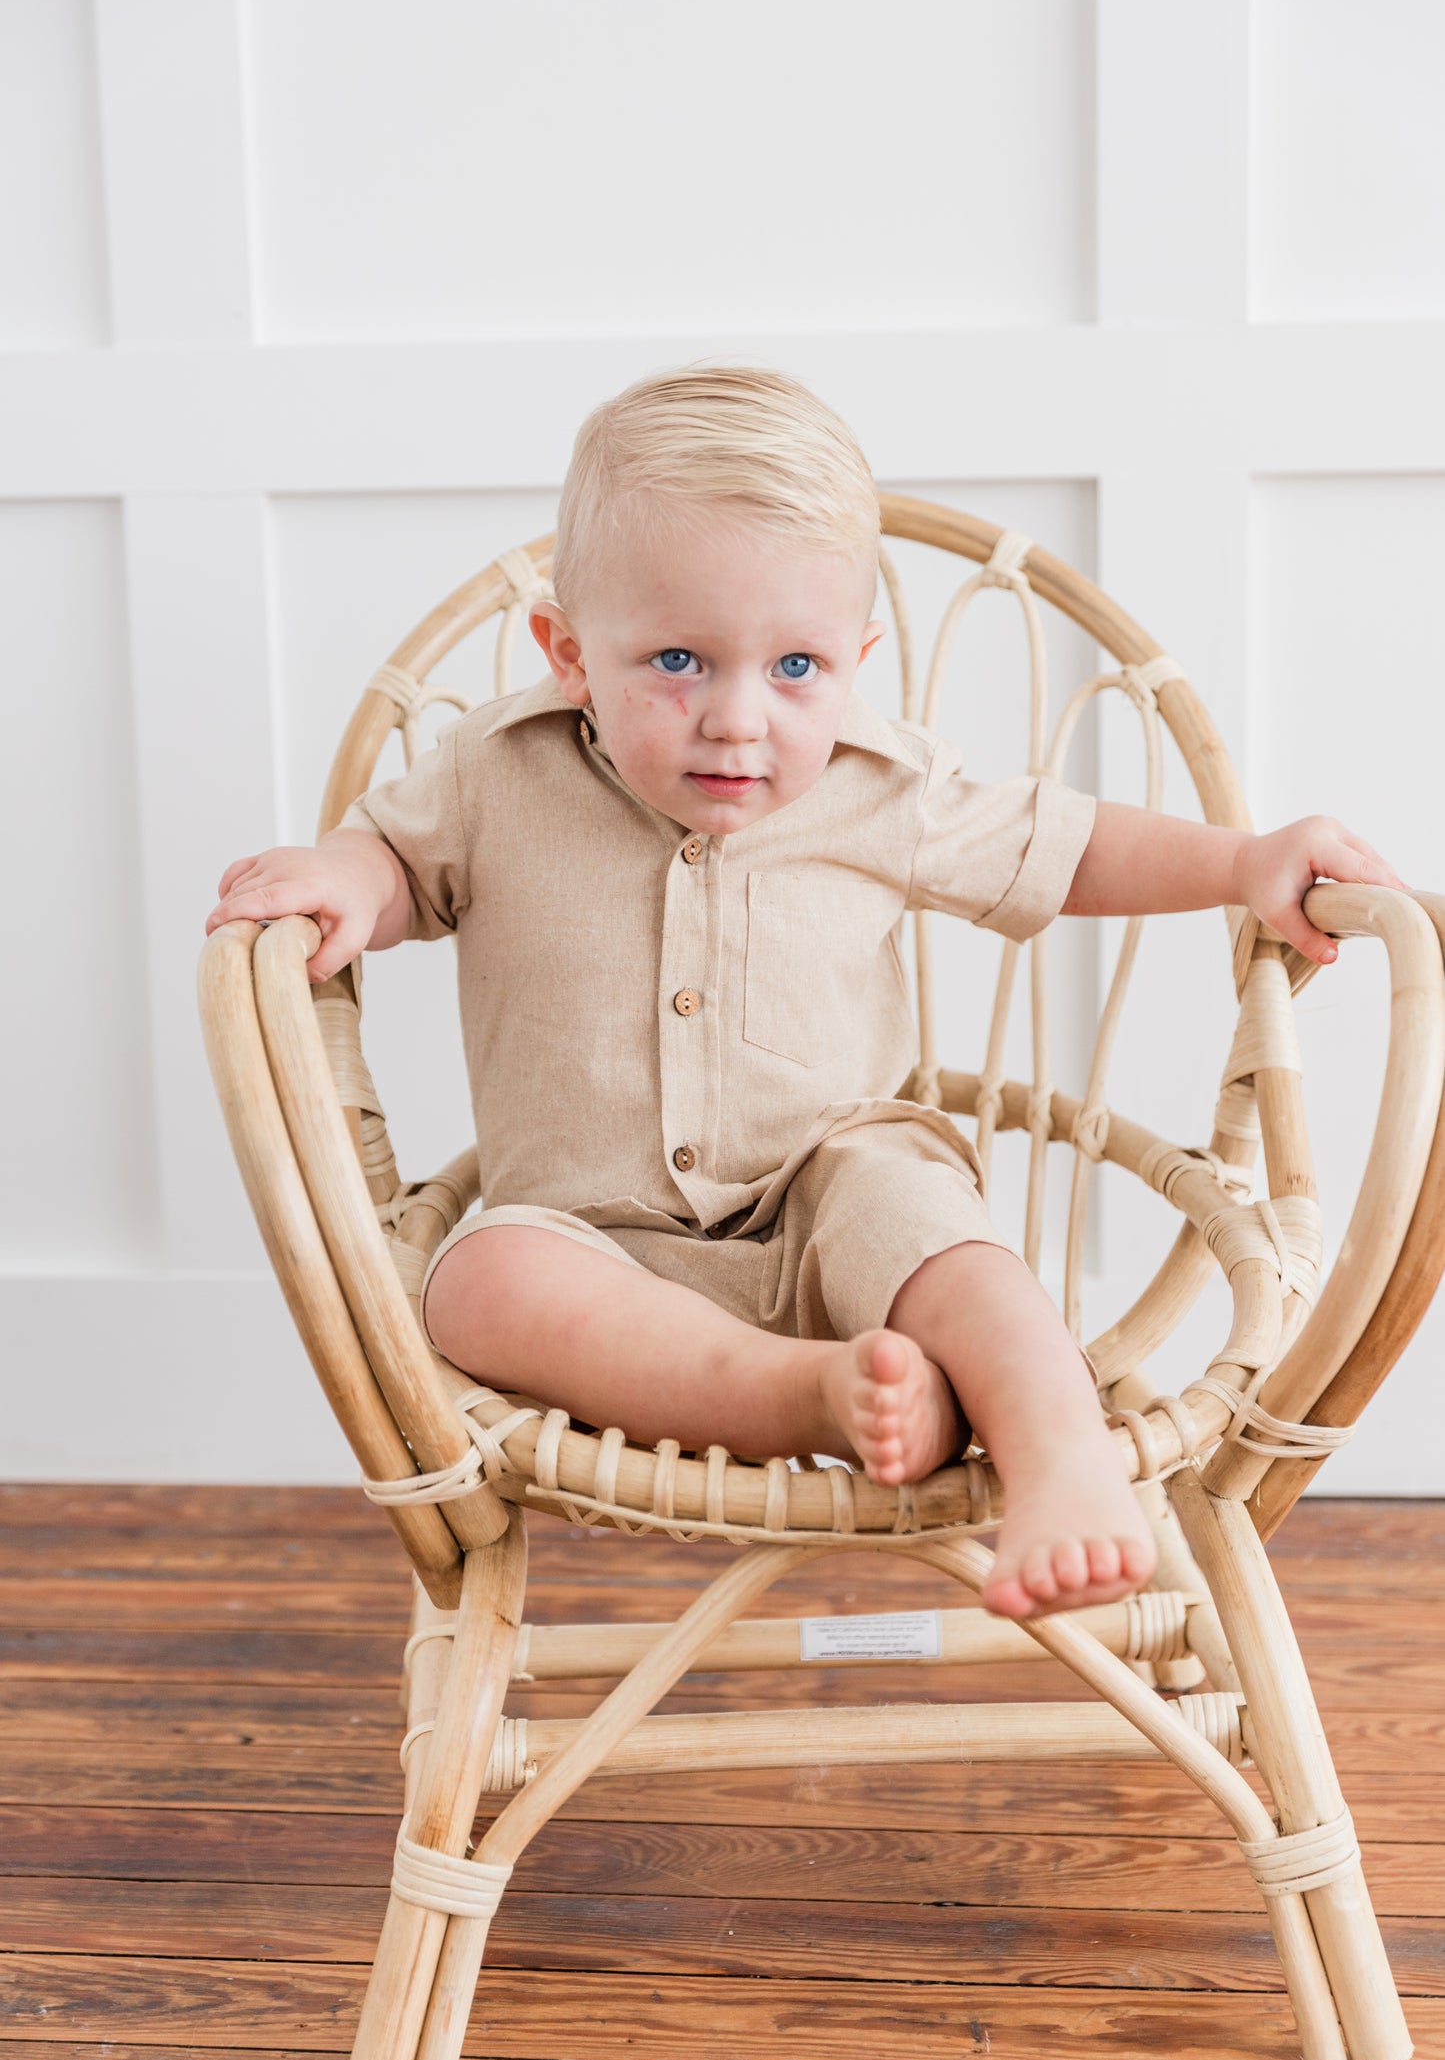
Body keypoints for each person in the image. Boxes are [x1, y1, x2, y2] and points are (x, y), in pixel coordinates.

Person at [205, 363, 1403, 1621]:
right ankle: (814, 1392)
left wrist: (1240, 861)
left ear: (856, 659)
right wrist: (345, 871)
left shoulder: (880, 788)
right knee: (474, 1281)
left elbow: (1065, 845)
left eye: (794, 667)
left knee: (940, 1226)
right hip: (595, 1249)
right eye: (677, 659)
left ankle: (1056, 1450)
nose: (738, 719)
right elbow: (397, 863)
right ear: (565, 650)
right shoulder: (490, 778)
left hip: (837, 1197)